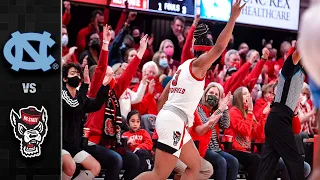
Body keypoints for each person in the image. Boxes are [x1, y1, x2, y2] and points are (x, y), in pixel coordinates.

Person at [134, 1, 245, 179]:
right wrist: (233, 18)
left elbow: (163, 96)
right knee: (159, 174)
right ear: (206, 54)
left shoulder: (184, 66)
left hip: (174, 120)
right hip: (174, 120)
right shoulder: (199, 65)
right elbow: (219, 47)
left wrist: (163, 119)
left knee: (196, 167)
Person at [62, 24, 112, 180]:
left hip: (74, 145)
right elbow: (72, 108)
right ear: (65, 78)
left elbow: (95, 104)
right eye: (72, 73)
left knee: (95, 167)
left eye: (77, 73)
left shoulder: (81, 97)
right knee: (69, 167)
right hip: (59, 143)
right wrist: (84, 87)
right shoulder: (60, 95)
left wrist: (104, 86)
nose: (76, 75)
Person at [256, 43, 306, 180]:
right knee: (296, 161)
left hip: (279, 118)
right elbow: (299, 50)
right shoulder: (290, 66)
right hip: (279, 117)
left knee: (268, 165)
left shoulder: (302, 71)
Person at [122, 110, 153, 174]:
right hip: (132, 158)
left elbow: (149, 144)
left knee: (141, 153)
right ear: (128, 123)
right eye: (132, 121)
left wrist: (138, 147)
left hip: (144, 155)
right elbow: (121, 148)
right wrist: (126, 143)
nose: (135, 124)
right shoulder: (125, 135)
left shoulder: (143, 132)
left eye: (137, 121)